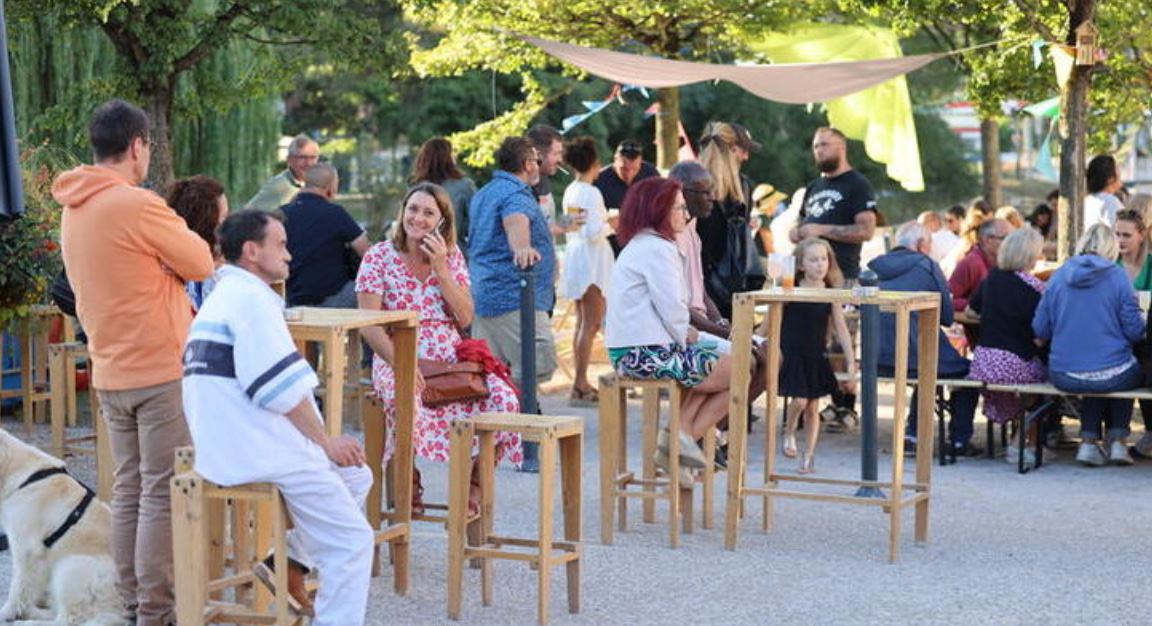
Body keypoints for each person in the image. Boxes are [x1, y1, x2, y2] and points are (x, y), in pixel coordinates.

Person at [52, 99, 215, 626]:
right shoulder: (137, 204)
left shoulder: (73, 207)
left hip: (109, 368)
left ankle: (130, 604)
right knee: (161, 492)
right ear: (138, 146)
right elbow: (199, 261)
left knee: (128, 489)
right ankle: (155, 610)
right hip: (160, 368)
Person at [183, 210, 374, 624]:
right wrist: (326, 442)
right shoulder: (251, 301)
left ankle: (287, 562)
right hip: (256, 449)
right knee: (352, 543)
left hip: (222, 444)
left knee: (357, 474)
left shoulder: (225, 297)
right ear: (252, 252)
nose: (289, 254)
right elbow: (279, 391)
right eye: (281, 245)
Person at [356, 182, 522, 513]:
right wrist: (402, 365)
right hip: (396, 353)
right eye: (413, 209)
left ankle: (474, 485)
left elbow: (466, 316)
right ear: (403, 211)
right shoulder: (379, 256)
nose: (418, 218)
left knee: (505, 398)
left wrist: (442, 270)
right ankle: (407, 483)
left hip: (448, 359)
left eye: (428, 213)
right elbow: (368, 323)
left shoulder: (451, 256)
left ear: (442, 221)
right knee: (407, 398)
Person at [605, 177, 733, 481]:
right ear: (658, 209)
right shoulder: (658, 248)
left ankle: (680, 437)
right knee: (739, 369)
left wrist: (686, 333)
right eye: (679, 208)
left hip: (635, 350)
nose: (685, 214)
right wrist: (685, 333)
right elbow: (673, 306)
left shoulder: (643, 244)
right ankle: (679, 439)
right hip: (642, 353)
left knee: (724, 366)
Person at [1033, 223, 1144, 467]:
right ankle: (1117, 441)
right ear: (1111, 247)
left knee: (1098, 374)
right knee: (1125, 370)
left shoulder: (1059, 275)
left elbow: (1040, 329)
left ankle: (1088, 443)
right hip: (1112, 371)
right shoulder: (1118, 276)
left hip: (1064, 373)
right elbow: (1135, 332)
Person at [790, 126, 877, 433]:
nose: (819, 151)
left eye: (825, 145)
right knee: (813, 340)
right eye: (815, 146)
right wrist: (798, 232)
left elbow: (866, 230)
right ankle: (821, 399)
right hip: (810, 279)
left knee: (843, 341)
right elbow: (803, 223)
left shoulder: (858, 184)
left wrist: (821, 230)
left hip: (843, 275)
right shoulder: (814, 186)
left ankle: (846, 406)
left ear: (841, 147)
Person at [869, 222, 980, 457]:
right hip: (917, 358)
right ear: (921, 244)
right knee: (969, 372)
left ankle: (914, 436)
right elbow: (947, 317)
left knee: (926, 368)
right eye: (930, 243)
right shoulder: (926, 265)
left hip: (877, 360)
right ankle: (958, 441)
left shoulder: (872, 267)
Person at [468, 136, 558, 415]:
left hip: (484, 294)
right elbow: (515, 221)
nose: (538, 166)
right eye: (537, 160)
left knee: (494, 372)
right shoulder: (515, 194)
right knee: (537, 360)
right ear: (527, 163)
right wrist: (522, 249)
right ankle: (521, 417)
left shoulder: (484, 192)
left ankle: (507, 420)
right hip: (514, 298)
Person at [965, 227, 1047, 467]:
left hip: (983, 363)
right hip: (1013, 362)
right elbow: (1042, 331)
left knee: (1030, 382)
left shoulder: (992, 278)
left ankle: (1024, 443)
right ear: (1031, 256)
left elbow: (970, 311)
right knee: (1046, 385)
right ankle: (1021, 443)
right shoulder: (1037, 289)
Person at [779, 238, 856, 474]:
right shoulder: (791, 287)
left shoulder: (830, 292)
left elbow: (841, 327)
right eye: (813, 260)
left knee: (813, 407)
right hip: (792, 352)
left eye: (824, 259)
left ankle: (809, 456)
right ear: (801, 265)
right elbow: (774, 318)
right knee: (800, 401)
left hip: (816, 354)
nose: (820, 264)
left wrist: (851, 361)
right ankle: (789, 430)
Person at [559, 137, 613, 405]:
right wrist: (613, 223)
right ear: (594, 162)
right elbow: (593, 231)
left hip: (577, 257)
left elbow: (575, 225)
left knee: (583, 322)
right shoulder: (591, 193)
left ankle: (579, 383)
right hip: (591, 261)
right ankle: (580, 382)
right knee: (591, 323)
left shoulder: (571, 189)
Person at [696, 121, 764, 320]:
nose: (746, 157)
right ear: (732, 149)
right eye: (744, 151)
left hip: (694, 284)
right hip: (732, 287)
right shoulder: (742, 188)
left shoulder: (691, 182)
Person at [281, 163, 371, 307]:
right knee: (371, 288)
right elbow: (368, 254)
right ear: (331, 188)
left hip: (291, 299)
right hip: (331, 298)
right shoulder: (335, 213)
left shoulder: (281, 214)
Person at [167, 175, 229, 309]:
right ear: (206, 222)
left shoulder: (217, 266)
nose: (226, 226)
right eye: (223, 218)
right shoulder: (173, 271)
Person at [410, 137, 477, 257]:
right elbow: (475, 224)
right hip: (452, 253)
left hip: (417, 253)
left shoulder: (414, 187)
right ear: (448, 158)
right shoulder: (464, 185)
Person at [595, 139, 659, 256]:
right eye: (623, 169)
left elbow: (662, 205)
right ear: (615, 160)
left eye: (635, 169)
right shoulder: (599, 180)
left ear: (641, 162)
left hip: (644, 243)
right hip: (612, 247)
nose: (629, 174)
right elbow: (581, 216)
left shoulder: (651, 174)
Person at [949, 218, 1010, 313]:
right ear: (988, 240)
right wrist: (976, 305)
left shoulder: (1005, 263)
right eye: (1006, 238)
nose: (1011, 244)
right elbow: (948, 299)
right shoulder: (972, 262)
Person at [246, 134, 320, 212]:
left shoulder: (321, 184)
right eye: (302, 157)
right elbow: (247, 214)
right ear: (289, 159)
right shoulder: (278, 186)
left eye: (312, 157)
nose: (308, 163)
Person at [1084, 154, 1124, 229]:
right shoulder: (1111, 202)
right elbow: (1119, 230)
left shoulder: (1086, 201)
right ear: (1110, 179)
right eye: (1117, 168)